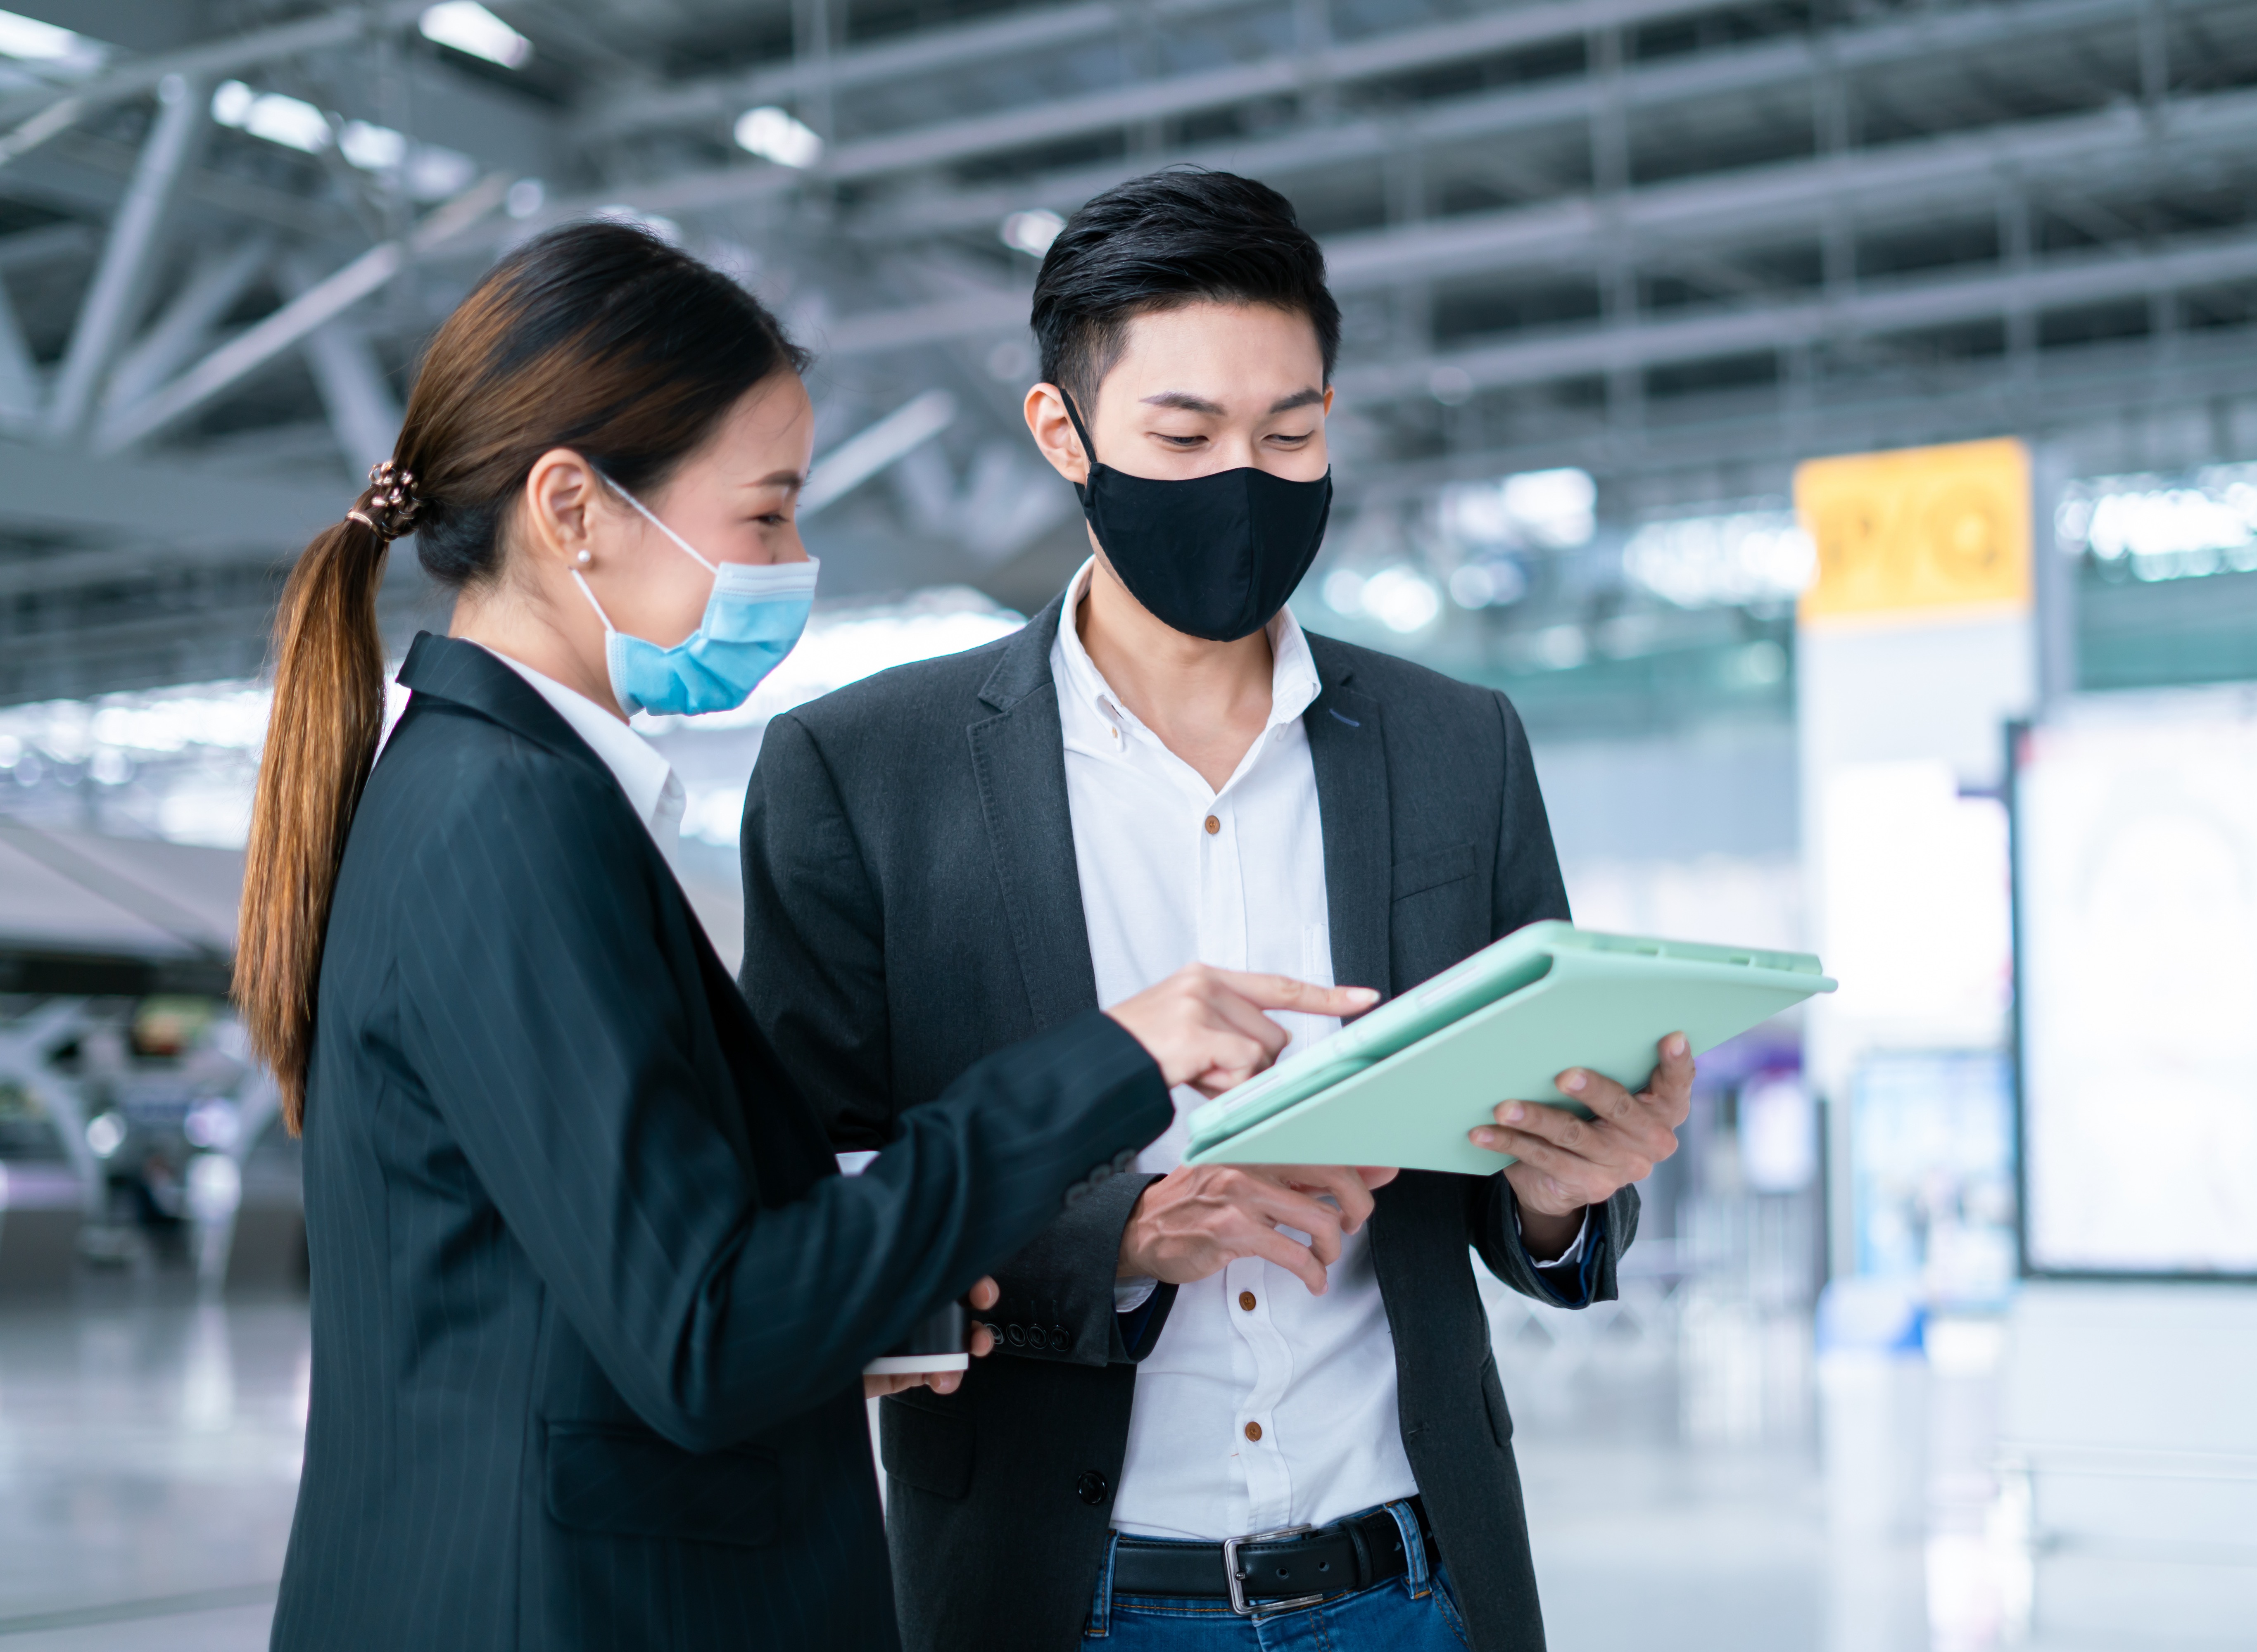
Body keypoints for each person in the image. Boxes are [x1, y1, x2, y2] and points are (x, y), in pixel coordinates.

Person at [238, 220, 1362, 1652]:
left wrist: (867, 1315)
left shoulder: (505, 800)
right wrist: (1112, 1060)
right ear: (573, 509)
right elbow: (707, 1334)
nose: (794, 558)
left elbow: (617, 1289)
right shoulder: (502, 823)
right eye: (765, 515)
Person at [739, 171, 1695, 1651]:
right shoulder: (865, 775)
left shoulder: (1459, 749)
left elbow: (1524, 1171)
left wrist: (1568, 1190)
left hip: (1415, 1586)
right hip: (1057, 1596)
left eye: (1291, 432)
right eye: (1183, 436)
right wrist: (1119, 1238)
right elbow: (813, 1209)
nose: (1243, 478)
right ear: (1064, 434)